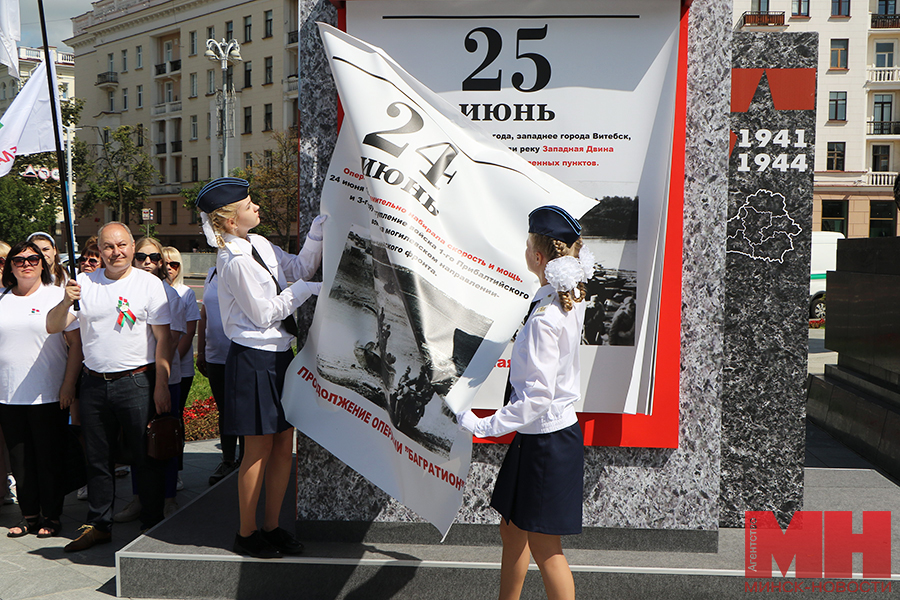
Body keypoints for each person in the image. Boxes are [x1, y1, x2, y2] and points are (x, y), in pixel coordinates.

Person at [457, 206, 592, 600]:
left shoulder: (547, 316)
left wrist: (481, 424)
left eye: (527, 244)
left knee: (547, 548)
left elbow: (537, 398)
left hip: (547, 442)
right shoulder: (559, 297)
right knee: (513, 529)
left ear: (537, 257)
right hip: (541, 439)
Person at [196, 177, 324, 559]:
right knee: (258, 449)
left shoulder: (260, 244)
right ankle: (246, 531)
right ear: (231, 221)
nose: (257, 208)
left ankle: (272, 525)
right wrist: (307, 291)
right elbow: (264, 313)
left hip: (279, 356)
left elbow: (299, 267)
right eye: (249, 204)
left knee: (284, 442)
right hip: (253, 359)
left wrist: (318, 232)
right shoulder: (232, 260)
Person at [47, 221, 173, 552]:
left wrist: (162, 384)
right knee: (98, 458)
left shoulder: (149, 285)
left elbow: (164, 339)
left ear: (132, 246)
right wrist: (65, 301)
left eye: (121, 245)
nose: (115, 252)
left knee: (144, 457)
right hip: (94, 383)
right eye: (107, 247)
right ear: (98, 250)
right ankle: (98, 523)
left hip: (137, 382)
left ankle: (151, 522)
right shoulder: (85, 283)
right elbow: (52, 325)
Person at [0, 242, 83, 538]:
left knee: (49, 460)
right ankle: (29, 515)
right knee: (20, 463)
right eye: (19, 260)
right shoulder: (2, 299)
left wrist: (68, 384)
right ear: (10, 266)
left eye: (33, 258)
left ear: (42, 264)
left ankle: (52, 515)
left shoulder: (57, 296)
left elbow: (75, 346)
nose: (26, 264)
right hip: (8, 395)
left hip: (48, 394)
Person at [114, 237, 186, 522]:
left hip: (165, 379)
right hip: (133, 380)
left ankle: (167, 498)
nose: (147, 262)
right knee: (136, 444)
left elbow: (172, 340)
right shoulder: (125, 290)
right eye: (141, 256)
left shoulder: (171, 295)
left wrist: (162, 380)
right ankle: (138, 499)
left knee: (164, 439)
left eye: (154, 257)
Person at [197, 265, 243, 485]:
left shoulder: (244, 268)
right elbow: (204, 315)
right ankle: (227, 460)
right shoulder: (212, 272)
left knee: (242, 410)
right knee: (224, 410)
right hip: (216, 355)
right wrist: (202, 351)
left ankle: (246, 461)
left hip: (241, 353)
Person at [162, 246, 200, 421]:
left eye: (174, 264)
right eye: (165, 263)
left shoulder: (186, 293)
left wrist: (171, 360)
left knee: (175, 415)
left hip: (180, 368)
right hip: (158, 367)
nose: (169, 267)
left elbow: (190, 330)